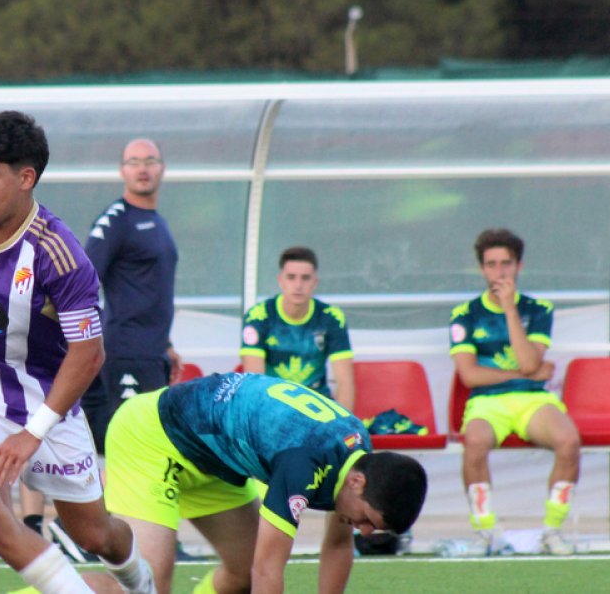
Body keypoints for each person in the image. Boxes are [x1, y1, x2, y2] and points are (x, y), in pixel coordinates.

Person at [0, 111, 154, 594]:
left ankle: (140, 582)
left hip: (46, 409)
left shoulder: (60, 255)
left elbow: (88, 354)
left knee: (96, 535)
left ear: (26, 178)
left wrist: (32, 433)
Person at [102, 372, 427, 594]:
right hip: (149, 439)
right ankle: (50, 576)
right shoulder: (304, 462)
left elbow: (339, 544)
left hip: (214, 462)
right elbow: (268, 572)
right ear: (357, 482)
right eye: (369, 520)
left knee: (241, 575)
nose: (365, 531)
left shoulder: (358, 456)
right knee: (146, 586)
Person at [36, 137, 182, 562]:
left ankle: (84, 528)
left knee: (117, 444)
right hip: (125, 354)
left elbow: (148, 292)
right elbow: (82, 273)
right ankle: (138, 537)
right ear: (122, 171)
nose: (142, 168)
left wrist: (166, 343)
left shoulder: (157, 221)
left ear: (162, 168)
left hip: (150, 352)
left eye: (150, 161)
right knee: (141, 448)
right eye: (134, 162)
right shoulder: (117, 219)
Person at [450, 228, 580, 555]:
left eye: (506, 264)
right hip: (487, 403)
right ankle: (485, 532)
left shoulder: (537, 309)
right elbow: (469, 375)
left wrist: (510, 309)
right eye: (491, 264)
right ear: (482, 269)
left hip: (532, 401)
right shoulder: (464, 314)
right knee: (475, 442)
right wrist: (525, 372)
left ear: (518, 266)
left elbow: (529, 359)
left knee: (569, 440)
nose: (499, 272)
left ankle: (552, 531)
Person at [240, 246, 354, 410]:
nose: (298, 285)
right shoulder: (258, 316)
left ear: (315, 282)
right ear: (280, 280)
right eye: (291, 277)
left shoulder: (332, 317)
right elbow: (254, 383)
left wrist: (344, 428)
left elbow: (345, 383)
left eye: (305, 278)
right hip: (273, 408)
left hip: (318, 409)